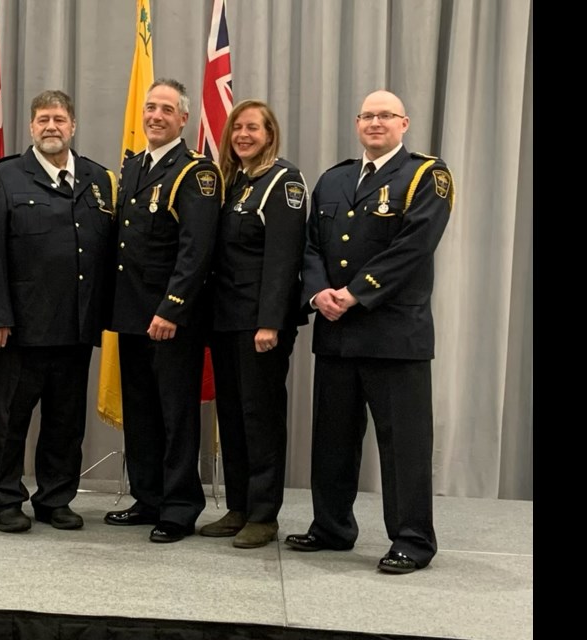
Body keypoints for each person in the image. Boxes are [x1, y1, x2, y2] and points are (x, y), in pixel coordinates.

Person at [285, 90, 454, 573]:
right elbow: (311, 246)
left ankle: (413, 540)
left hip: (394, 332)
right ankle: (332, 527)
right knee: (333, 439)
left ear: (404, 123)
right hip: (337, 331)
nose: (375, 123)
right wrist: (318, 294)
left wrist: (356, 293)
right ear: (357, 123)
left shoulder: (426, 175)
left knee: (403, 444)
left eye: (386, 116)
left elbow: (414, 246)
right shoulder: (334, 179)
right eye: (368, 116)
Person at [0, 90, 117, 533]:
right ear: (32, 127)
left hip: (76, 326)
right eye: (42, 119)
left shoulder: (97, 179)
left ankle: (55, 498)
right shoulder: (4, 177)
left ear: (73, 125)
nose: (50, 126)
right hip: (19, 328)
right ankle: (3, 498)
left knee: (64, 422)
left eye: (59, 118)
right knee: (8, 419)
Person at [105, 79, 222, 543]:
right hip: (132, 313)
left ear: (183, 119)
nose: (154, 115)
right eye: (149, 107)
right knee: (141, 412)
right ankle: (148, 496)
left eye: (166, 109)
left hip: (171, 318)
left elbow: (197, 249)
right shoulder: (133, 166)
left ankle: (179, 505)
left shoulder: (196, 172)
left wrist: (172, 308)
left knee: (175, 415)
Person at [199, 100, 308, 549]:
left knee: (259, 418)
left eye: (253, 128)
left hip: (259, 325)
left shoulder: (283, 182)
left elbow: (283, 259)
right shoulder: (233, 183)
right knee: (233, 417)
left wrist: (270, 323)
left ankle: (264, 515)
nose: (243, 134)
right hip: (226, 321)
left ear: (270, 134)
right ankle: (239, 507)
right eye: (237, 127)